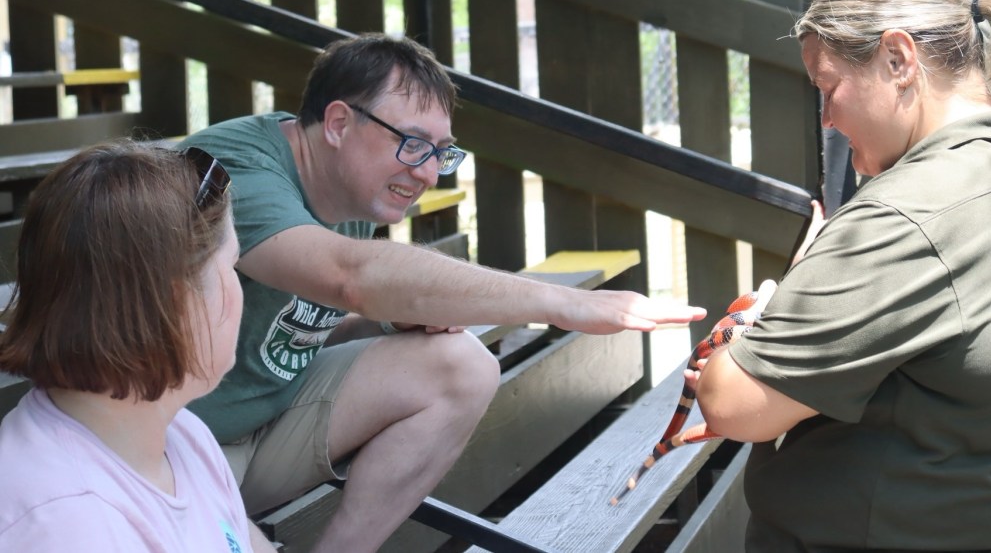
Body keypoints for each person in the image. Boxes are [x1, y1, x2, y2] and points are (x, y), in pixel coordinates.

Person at [179, 32, 706, 552]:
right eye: (411, 144)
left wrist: (386, 323)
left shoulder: (349, 186)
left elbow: (292, 323)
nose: (428, 173)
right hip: (170, 442)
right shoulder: (229, 167)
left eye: (440, 152)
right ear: (338, 123)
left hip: (265, 424)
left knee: (462, 365)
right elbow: (347, 275)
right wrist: (564, 302)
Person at [694, 0, 991, 552]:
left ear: (898, 59)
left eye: (828, 85)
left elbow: (732, 405)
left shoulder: (904, 217)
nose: (824, 117)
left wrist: (751, 328)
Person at [0, 141, 276, 552]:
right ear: (178, 303)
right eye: (230, 267)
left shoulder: (178, 433)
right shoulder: (69, 525)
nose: (240, 291)